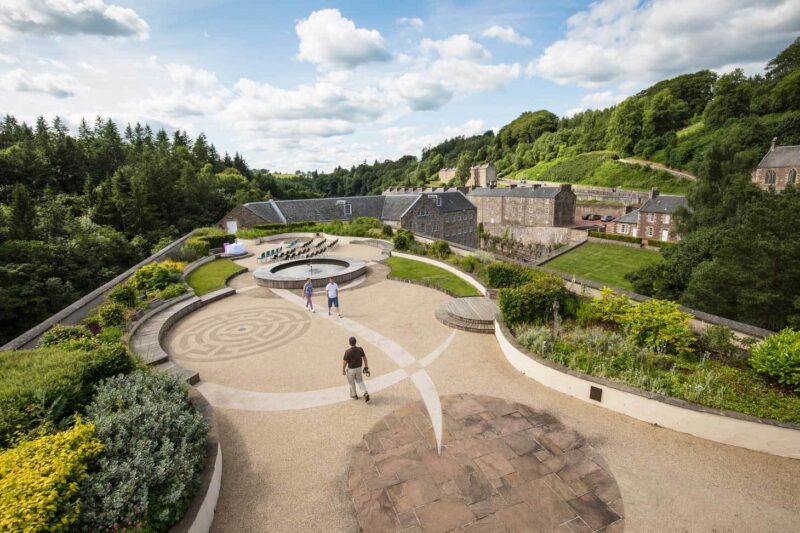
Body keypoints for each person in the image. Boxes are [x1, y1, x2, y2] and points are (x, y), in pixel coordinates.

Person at [342, 336, 369, 402]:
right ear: (355, 342)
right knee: (360, 381)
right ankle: (365, 393)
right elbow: (365, 358)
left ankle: (354, 395)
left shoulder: (347, 352)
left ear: (349, 343)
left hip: (351, 370)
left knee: (351, 383)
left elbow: (345, 362)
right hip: (359, 368)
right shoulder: (360, 349)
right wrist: (366, 366)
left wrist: (343, 370)